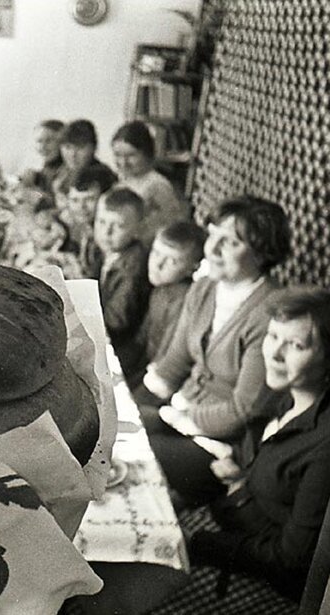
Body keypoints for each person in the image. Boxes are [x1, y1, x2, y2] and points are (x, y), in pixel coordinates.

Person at [149, 287, 330, 612]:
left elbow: (290, 560)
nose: (274, 354)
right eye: (273, 336)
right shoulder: (281, 392)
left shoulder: (324, 448)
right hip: (227, 522)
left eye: (297, 345)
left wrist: (202, 542)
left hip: (263, 582)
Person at [138, 196, 291, 506]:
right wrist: (128, 406)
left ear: (262, 253)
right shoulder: (205, 287)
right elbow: (175, 363)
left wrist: (182, 415)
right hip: (180, 415)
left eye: (231, 242)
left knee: (131, 460)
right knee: (108, 429)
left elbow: (243, 411)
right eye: (213, 234)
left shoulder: (270, 312)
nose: (214, 248)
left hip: (225, 446)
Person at [124, 221, 206, 388]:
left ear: (193, 268)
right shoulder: (161, 289)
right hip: (144, 367)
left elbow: (163, 362)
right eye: (156, 253)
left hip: (162, 382)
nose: (157, 265)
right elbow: (140, 341)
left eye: (172, 261)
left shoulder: (183, 302)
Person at [82, 187, 151, 376]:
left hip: (120, 351)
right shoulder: (109, 250)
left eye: (118, 226)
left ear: (138, 229)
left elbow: (115, 322)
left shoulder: (132, 268)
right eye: (101, 222)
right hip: (101, 330)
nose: (106, 232)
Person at [111, 120, 188, 245]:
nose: (123, 162)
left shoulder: (157, 185)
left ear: (147, 153)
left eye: (131, 155)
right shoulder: (123, 182)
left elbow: (170, 227)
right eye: (118, 155)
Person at [56, 163, 118, 254]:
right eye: (75, 200)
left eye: (89, 199)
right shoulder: (68, 228)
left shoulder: (111, 234)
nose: (81, 206)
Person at [58, 119, 117, 196]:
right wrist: (40, 195)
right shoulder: (60, 172)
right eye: (68, 147)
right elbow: (42, 195)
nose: (73, 154)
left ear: (94, 148)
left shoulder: (103, 176)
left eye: (80, 147)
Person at [19, 118, 66, 198]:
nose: (43, 147)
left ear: (63, 142)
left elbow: (54, 202)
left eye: (49, 141)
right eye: (39, 141)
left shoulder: (66, 171)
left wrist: (32, 190)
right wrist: (36, 177)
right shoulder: (48, 166)